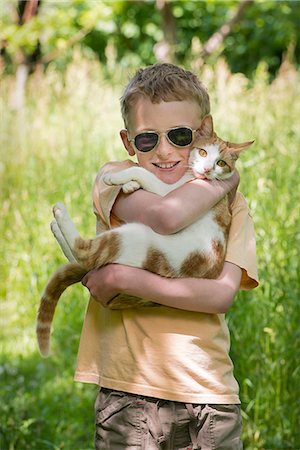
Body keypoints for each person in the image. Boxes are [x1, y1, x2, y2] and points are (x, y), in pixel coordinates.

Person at [78, 63, 259, 450]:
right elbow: (166, 217)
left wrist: (129, 280)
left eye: (180, 136)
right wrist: (226, 181)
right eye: (147, 140)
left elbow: (221, 295)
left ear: (204, 131)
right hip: (131, 394)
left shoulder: (235, 207)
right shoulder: (117, 180)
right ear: (129, 143)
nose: (164, 151)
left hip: (211, 394)